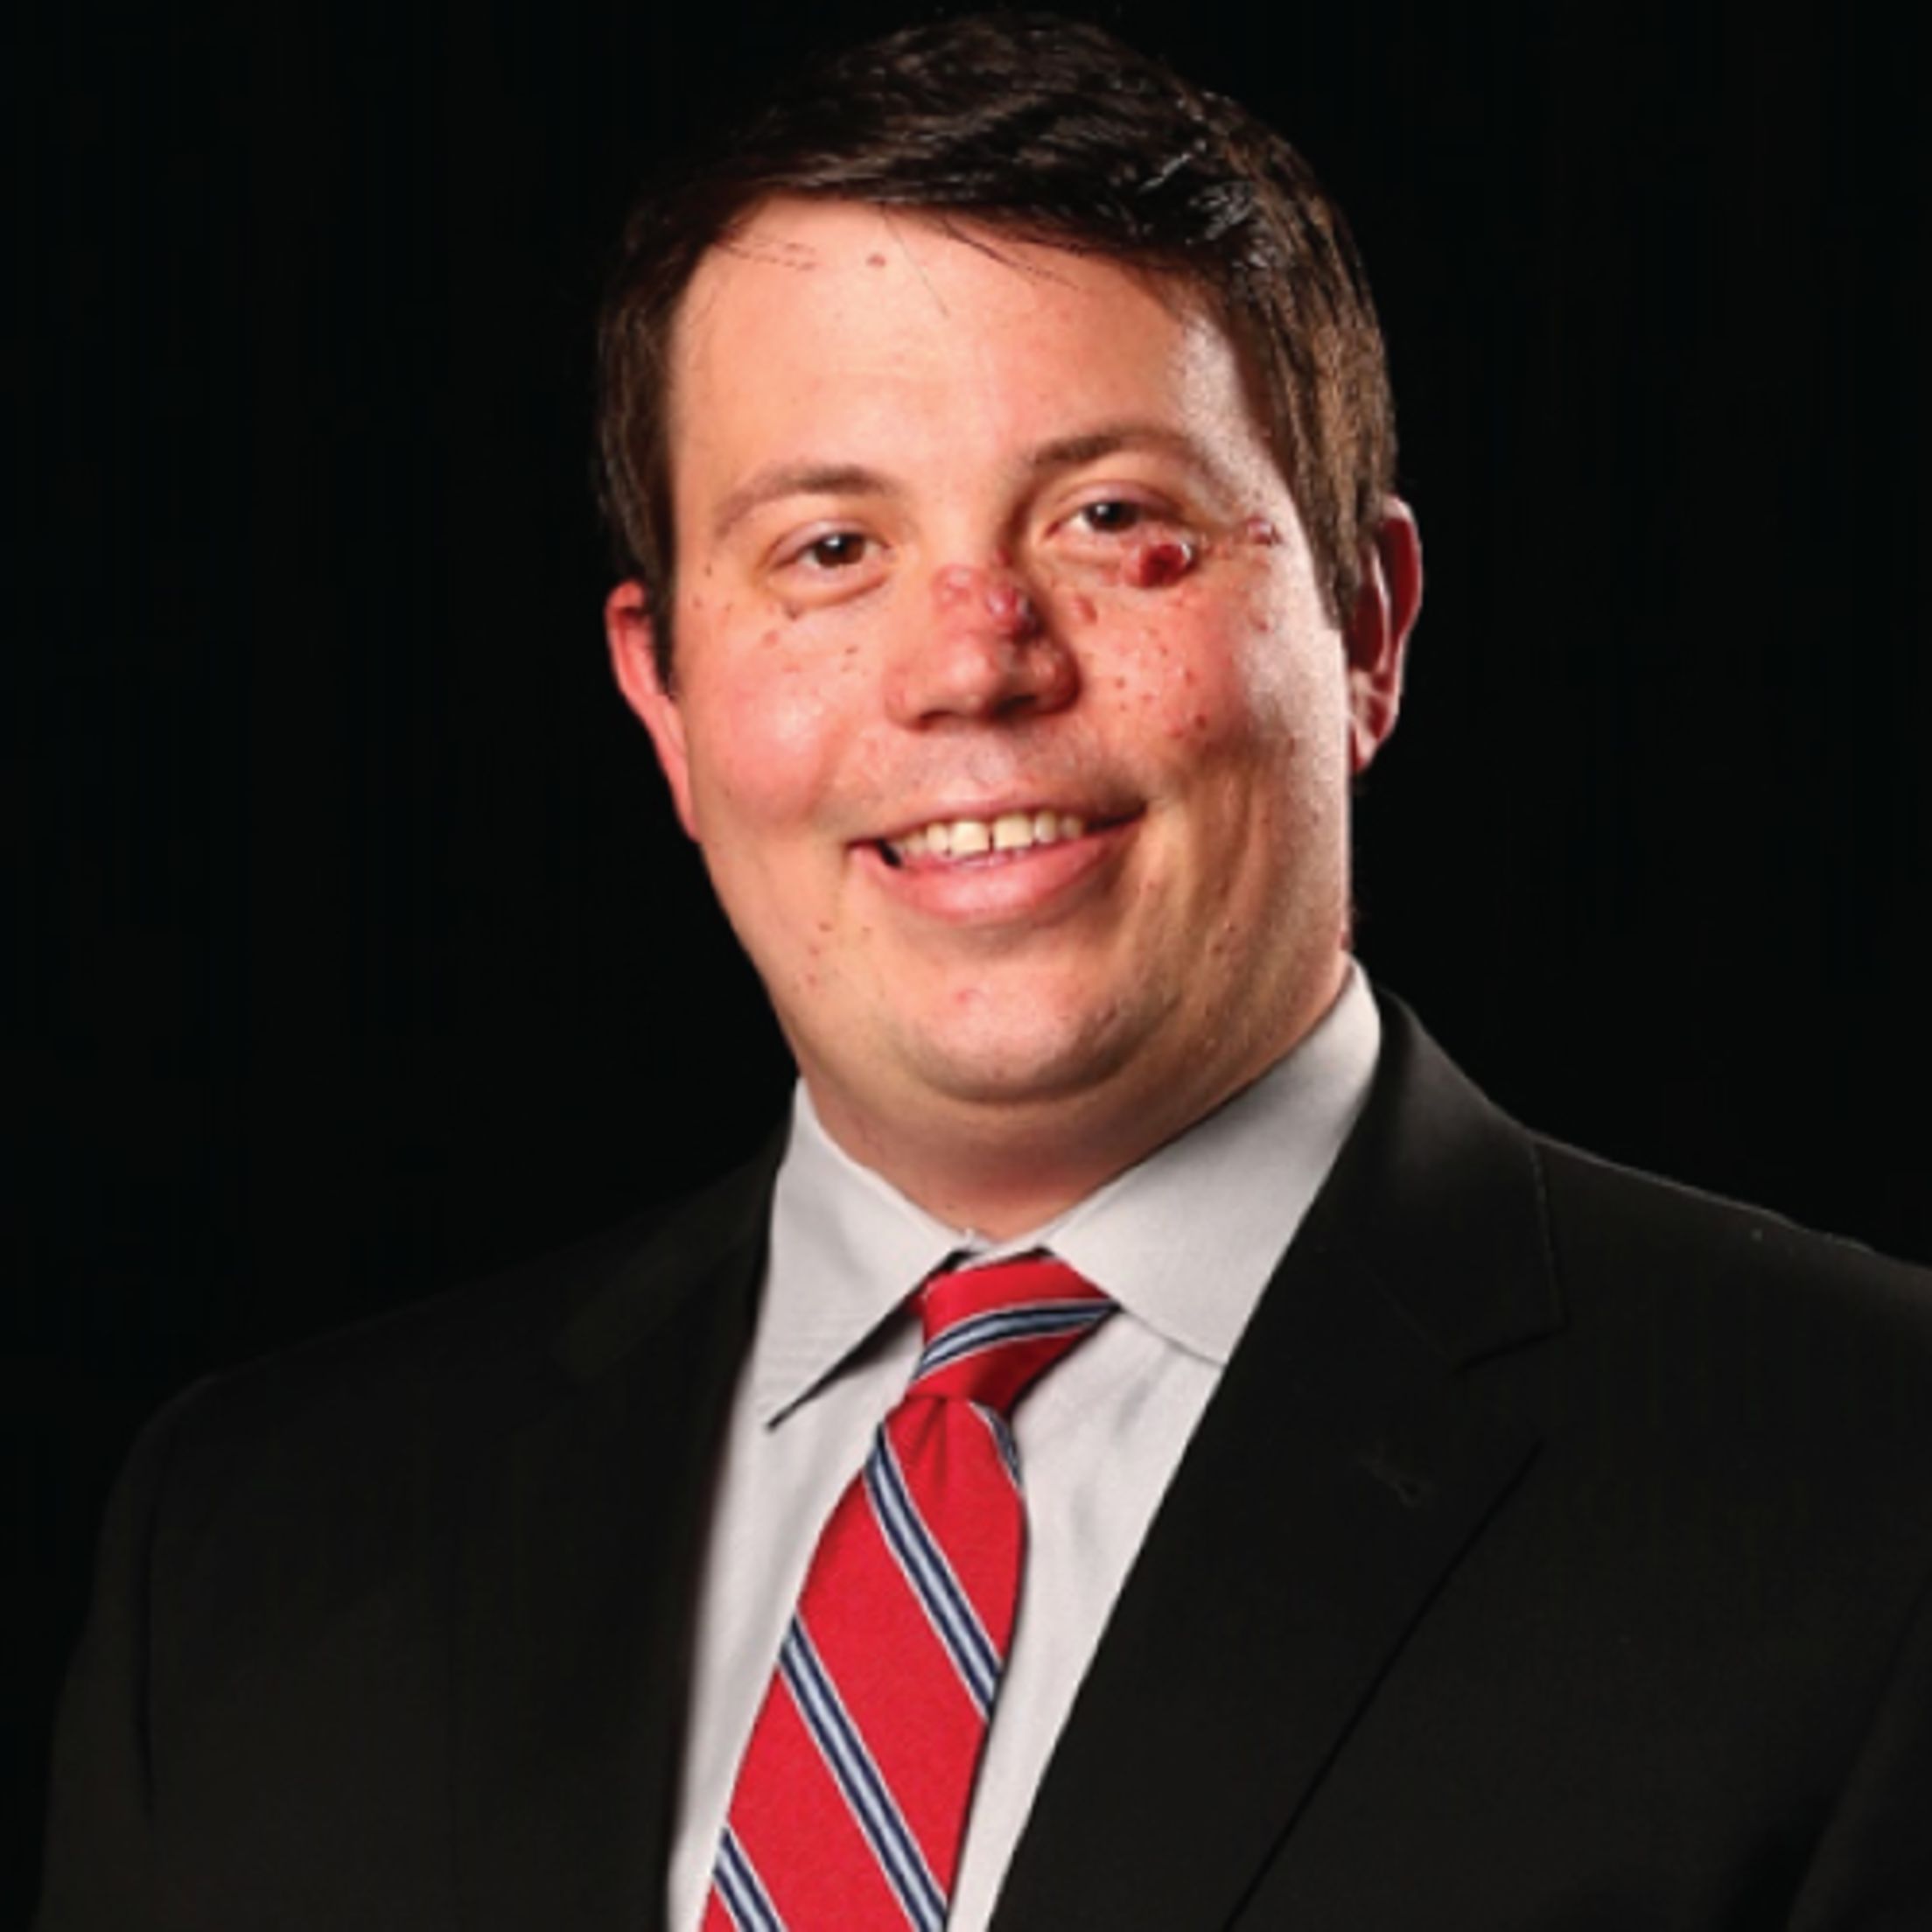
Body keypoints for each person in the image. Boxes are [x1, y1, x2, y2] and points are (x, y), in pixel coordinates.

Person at [36, 14, 1932, 1929]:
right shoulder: (251, 1551)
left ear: (1366, 626)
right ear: (664, 698)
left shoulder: (1866, 1485)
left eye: (1115, 521)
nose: (973, 660)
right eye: (830, 548)